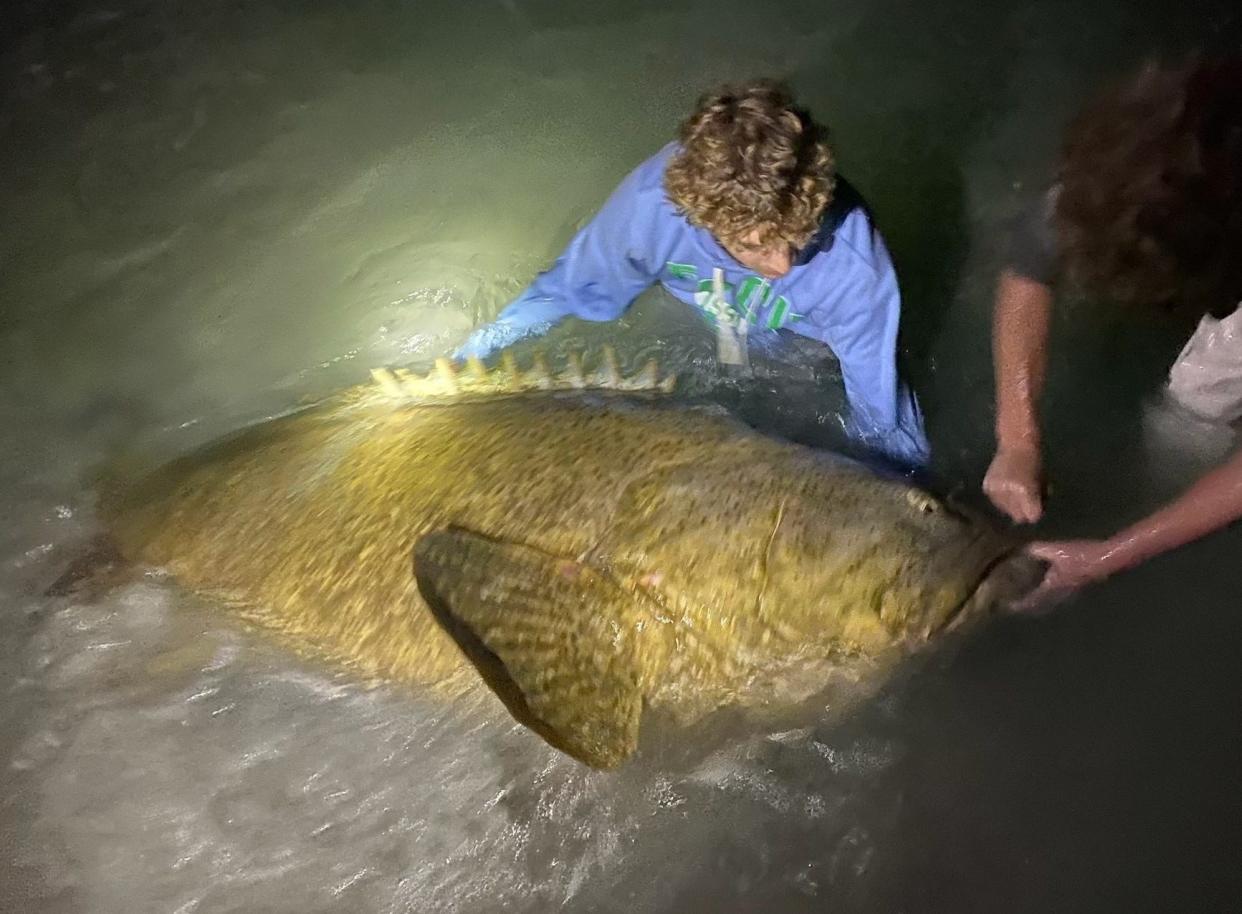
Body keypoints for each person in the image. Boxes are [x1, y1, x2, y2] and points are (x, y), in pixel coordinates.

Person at [455, 80, 929, 470]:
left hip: (804, 333)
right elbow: (569, 290)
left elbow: (880, 411)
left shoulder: (852, 266)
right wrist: (478, 354)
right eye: (757, 245)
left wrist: (904, 479)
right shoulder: (648, 214)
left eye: (800, 236)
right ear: (702, 218)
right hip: (705, 308)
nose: (783, 265)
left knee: (810, 386)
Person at [984, 56, 1242, 605]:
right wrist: (1016, 437)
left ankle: (1164, 512)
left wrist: (1112, 555)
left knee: (1194, 406)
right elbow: (1031, 261)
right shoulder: (1155, 150)